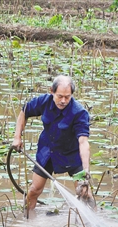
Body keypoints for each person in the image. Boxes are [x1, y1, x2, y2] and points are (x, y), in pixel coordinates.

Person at [12, 75, 92, 211]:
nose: (63, 101)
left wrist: (86, 170)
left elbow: (83, 142)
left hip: (71, 154)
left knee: (85, 194)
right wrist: (17, 137)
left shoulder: (79, 112)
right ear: (52, 91)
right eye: (60, 96)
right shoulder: (44, 101)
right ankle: (26, 220)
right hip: (47, 152)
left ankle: (94, 223)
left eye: (67, 97)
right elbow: (24, 112)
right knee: (34, 191)